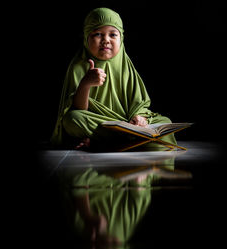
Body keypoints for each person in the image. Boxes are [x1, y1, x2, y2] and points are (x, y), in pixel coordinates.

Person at [50, 7, 177, 150]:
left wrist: (139, 117)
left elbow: (139, 103)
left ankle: (106, 142)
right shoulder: (79, 65)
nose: (106, 40)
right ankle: (132, 141)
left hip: (128, 123)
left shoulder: (125, 66)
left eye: (113, 35)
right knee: (72, 120)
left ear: (121, 38)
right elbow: (78, 109)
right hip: (101, 123)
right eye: (97, 34)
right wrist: (86, 84)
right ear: (86, 38)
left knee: (165, 122)